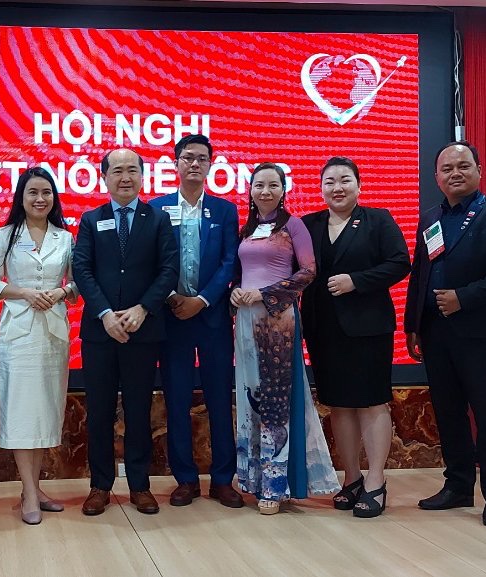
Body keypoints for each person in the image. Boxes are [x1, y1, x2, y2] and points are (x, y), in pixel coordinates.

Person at [404, 141, 486, 527]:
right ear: (436, 177)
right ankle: (458, 486)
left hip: (477, 331)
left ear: (478, 170)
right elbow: (421, 273)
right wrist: (412, 325)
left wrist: (464, 297)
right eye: (447, 169)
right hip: (435, 331)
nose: (455, 173)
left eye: (463, 166)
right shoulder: (430, 218)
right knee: (448, 413)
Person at [300, 157, 410, 518]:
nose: (337, 187)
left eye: (345, 180)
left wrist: (357, 281)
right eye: (329, 181)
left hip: (368, 327)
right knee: (339, 403)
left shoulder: (378, 219)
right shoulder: (308, 225)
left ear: (359, 185)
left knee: (372, 402)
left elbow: (400, 262)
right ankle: (351, 477)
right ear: (321, 188)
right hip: (323, 328)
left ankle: (376, 480)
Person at [72, 148, 179, 516]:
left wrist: (142, 308)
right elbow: (82, 269)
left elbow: (169, 269)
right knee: (99, 412)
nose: (125, 178)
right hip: (99, 333)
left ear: (142, 177)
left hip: (142, 331)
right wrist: (104, 314)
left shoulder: (158, 219)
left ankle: (139, 485)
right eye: (117, 171)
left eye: (132, 170)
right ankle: (100, 485)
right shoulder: (91, 219)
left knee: (138, 410)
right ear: (104, 177)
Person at [231, 162, 340, 515]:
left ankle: (276, 486)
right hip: (245, 320)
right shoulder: (247, 228)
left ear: (283, 190)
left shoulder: (293, 226)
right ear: (250, 190)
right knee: (250, 395)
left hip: (278, 321)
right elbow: (241, 273)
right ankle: (252, 478)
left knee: (276, 401)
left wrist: (264, 294)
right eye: (259, 185)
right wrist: (235, 290)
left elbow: (308, 272)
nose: (265, 191)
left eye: (273, 185)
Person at [148, 134, 242, 508]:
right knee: (177, 400)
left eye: (202, 158)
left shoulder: (224, 210)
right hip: (172, 318)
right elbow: (154, 262)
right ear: (175, 163)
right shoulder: (156, 209)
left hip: (212, 318)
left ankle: (222, 480)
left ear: (210, 165)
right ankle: (185, 479)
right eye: (188, 157)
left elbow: (229, 262)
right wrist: (173, 298)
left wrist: (201, 300)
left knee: (220, 399)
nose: (194, 164)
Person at [0, 167, 76, 525]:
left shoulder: (65, 238)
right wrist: (22, 292)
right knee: (22, 412)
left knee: (44, 412)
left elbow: (77, 284)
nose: (40, 199)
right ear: (21, 198)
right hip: (18, 334)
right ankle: (30, 494)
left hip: (53, 334)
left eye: (46, 193)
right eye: (33, 192)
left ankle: (33, 489)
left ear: (54, 198)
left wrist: (60, 293)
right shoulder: (6, 235)